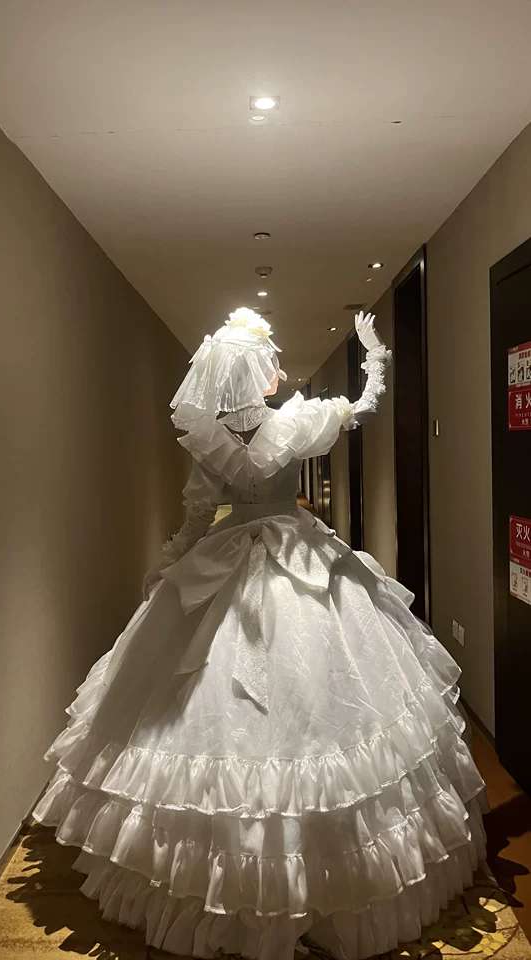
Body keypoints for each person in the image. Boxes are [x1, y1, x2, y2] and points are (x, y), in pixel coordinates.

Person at [33, 307, 486, 960]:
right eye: (270, 359)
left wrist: (175, 564)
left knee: (204, 697)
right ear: (256, 369)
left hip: (225, 552)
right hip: (294, 553)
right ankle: (314, 884)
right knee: (316, 700)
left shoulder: (210, 437)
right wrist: (374, 357)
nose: (276, 367)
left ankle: (224, 893)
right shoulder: (293, 422)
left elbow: (199, 514)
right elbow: (363, 406)